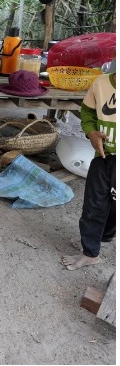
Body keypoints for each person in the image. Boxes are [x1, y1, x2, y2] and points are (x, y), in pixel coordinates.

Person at [62, 71, 116, 270]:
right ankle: (90, 252)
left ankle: (106, 234)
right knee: (94, 205)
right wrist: (91, 132)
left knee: (114, 205)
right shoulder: (101, 83)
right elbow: (88, 112)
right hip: (103, 157)